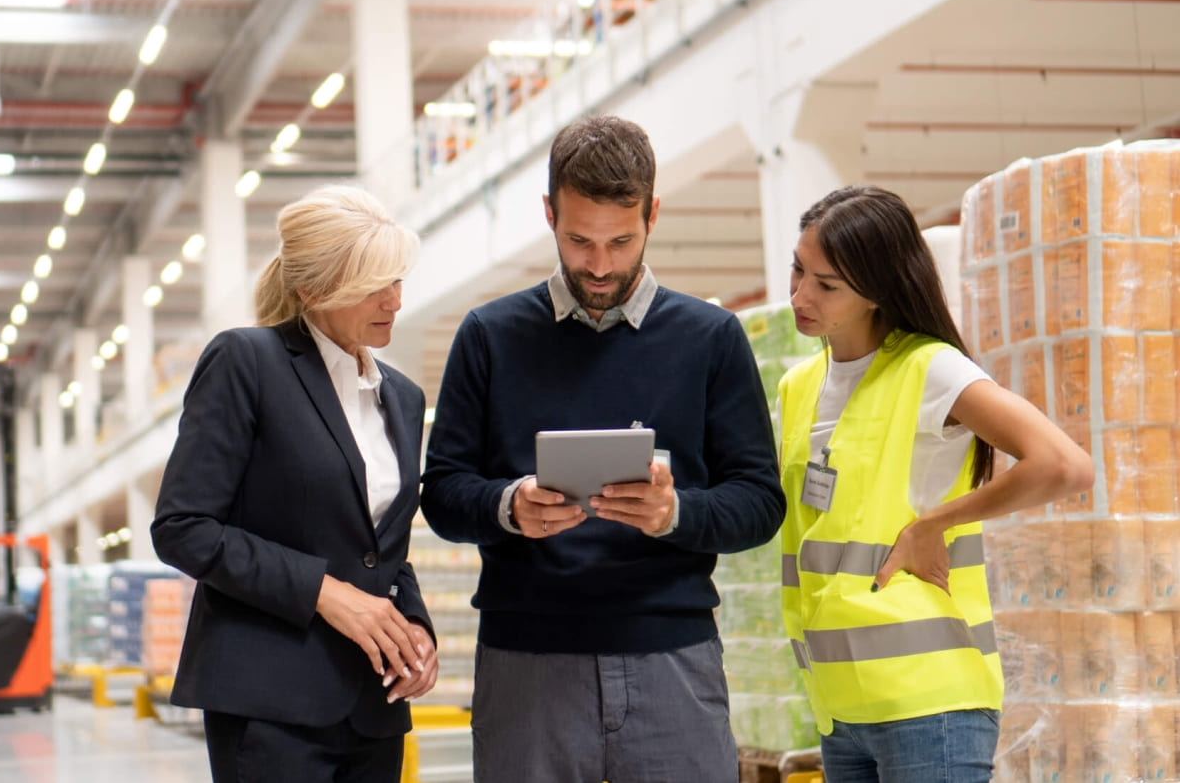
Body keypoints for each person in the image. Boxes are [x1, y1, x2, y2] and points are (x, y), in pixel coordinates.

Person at [420, 114, 785, 783]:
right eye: (578, 240)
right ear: (549, 213)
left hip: (672, 658)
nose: (599, 265)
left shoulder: (711, 339)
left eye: (621, 241)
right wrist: (509, 506)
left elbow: (760, 502)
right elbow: (442, 492)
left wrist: (675, 514)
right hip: (527, 664)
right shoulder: (489, 337)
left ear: (653, 214)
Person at [779, 185, 1093, 783]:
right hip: (837, 705)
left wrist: (935, 523)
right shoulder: (799, 386)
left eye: (826, 285)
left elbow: (1063, 465)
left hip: (927, 705)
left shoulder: (929, 368)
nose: (800, 296)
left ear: (877, 292)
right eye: (798, 270)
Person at [151, 185, 437, 783]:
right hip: (270, 703)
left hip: (374, 703)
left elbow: (383, 548)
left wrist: (414, 629)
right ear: (313, 290)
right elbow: (183, 528)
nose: (394, 300)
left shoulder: (403, 397)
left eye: (397, 280)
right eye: (374, 285)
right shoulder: (247, 362)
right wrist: (325, 593)